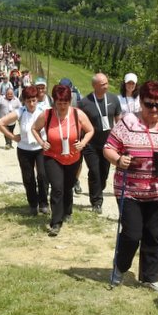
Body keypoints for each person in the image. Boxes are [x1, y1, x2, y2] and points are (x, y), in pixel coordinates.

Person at [103, 81, 158, 294]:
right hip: (130, 190)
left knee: (154, 234)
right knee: (133, 234)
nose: (153, 109)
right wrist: (118, 160)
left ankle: (150, 277)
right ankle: (120, 267)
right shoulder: (128, 122)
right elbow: (108, 148)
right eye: (149, 104)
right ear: (140, 102)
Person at [31, 84, 95, 237]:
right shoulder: (47, 115)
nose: (62, 106)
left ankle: (67, 211)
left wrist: (83, 142)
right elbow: (34, 128)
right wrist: (41, 142)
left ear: (70, 101)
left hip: (73, 157)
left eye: (65, 103)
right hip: (52, 157)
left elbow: (90, 130)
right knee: (57, 188)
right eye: (59, 103)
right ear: (54, 101)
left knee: (68, 186)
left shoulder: (77, 114)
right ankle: (56, 222)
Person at [0, 85, 49, 215]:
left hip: (40, 148)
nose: (31, 103)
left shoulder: (44, 110)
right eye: (28, 100)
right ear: (24, 101)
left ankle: (43, 203)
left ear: (37, 99)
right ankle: (33, 204)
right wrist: (13, 137)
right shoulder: (20, 111)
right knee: (28, 178)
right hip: (24, 149)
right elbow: (0, 123)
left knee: (42, 175)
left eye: (34, 100)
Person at [78, 73, 123, 214]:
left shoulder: (114, 99)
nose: (106, 86)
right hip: (90, 144)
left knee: (103, 174)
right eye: (102, 84)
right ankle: (96, 201)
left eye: (106, 83)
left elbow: (118, 120)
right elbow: (78, 124)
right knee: (95, 172)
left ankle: (98, 189)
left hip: (108, 145)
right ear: (94, 86)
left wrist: (122, 139)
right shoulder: (84, 103)